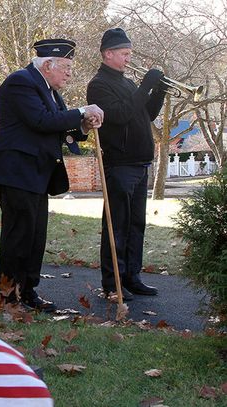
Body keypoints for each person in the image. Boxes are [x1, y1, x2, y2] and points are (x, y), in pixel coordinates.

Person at [0, 38, 104, 312]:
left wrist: (84, 125)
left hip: (36, 174)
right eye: (65, 66)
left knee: (35, 237)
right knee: (18, 237)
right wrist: (81, 111)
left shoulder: (50, 91)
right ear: (47, 65)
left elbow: (59, 126)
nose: (69, 72)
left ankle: (28, 292)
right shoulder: (20, 82)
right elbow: (41, 121)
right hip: (16, 172)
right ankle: (8, 296)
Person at [86, 28, 167, 300]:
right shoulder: (98, 84)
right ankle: (113, 283)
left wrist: (158, 92)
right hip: (120, 165)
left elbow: (146, 114)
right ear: (108, 54)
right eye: (124, 54)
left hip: (139, 163)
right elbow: (119, 116)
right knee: (116, 225)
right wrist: (145, 86)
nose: (128, 58)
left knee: (136, 225)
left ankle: (132, 277)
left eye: (129, 53)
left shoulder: (127, 82)